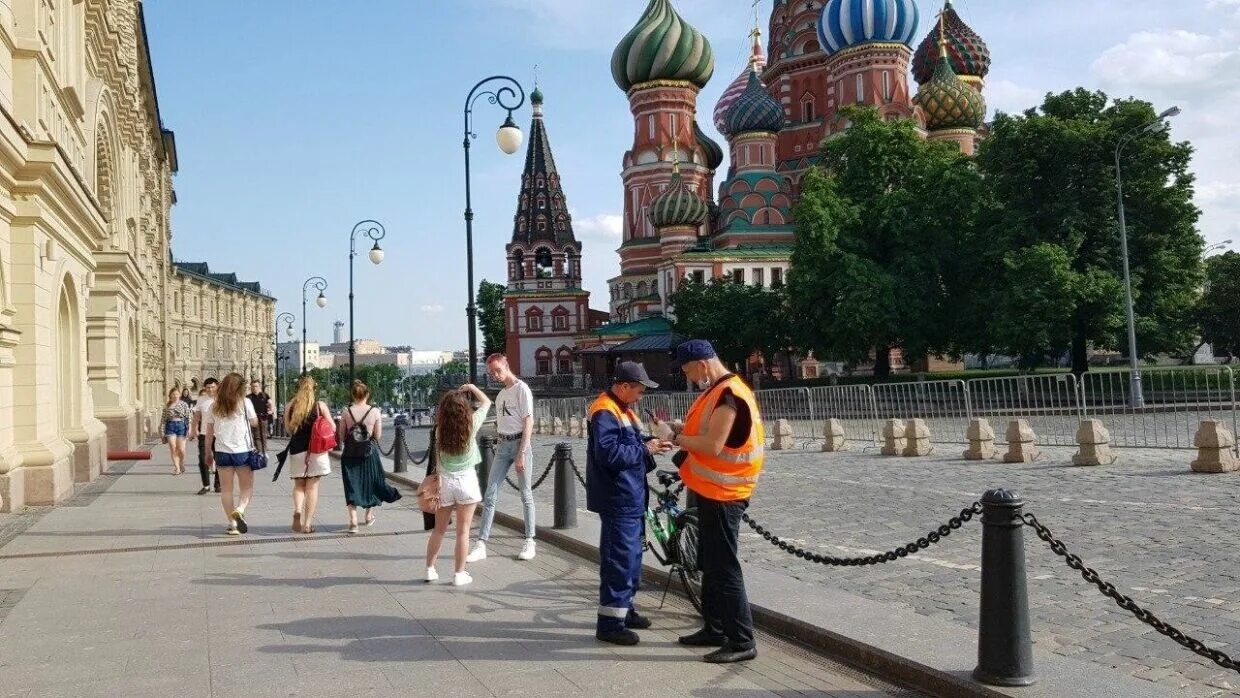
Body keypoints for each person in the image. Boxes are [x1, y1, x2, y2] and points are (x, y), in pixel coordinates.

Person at [654, 339, 765, 664]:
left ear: (702, 363)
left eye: (686, 368)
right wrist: (676, 428)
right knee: (710, 564)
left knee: (724, 567)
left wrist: (672, 437)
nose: (686, 374)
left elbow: (714, 445)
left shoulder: (729, 394)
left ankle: (742, 641)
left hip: (725, 493)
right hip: (710, 489)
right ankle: (714, 628)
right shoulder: (716, 391)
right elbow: (705, 431)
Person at [587, 362, 671, 645]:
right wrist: (646, 448)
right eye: (639, 390)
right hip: (618, 497)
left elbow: (629, 444)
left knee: (631, 558)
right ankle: (610, 624)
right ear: (624, 386)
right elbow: (609, 455)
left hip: (630, 495)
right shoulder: (605, 411)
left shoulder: (621, 409)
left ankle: (625, 609)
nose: (641, 396)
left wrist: (652, 443)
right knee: (619, 560)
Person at [467, 354, 537, 563]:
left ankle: (530, 540)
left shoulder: (521, 389)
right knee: (490, 493)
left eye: (498, 370)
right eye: (492, 372)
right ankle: (481, 543)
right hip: (502, 444)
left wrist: (522, 452)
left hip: (518, 444)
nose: (496, 375)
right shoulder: (500, 395)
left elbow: (529, 421)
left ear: (506, 366)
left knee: (525, 494)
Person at [425, 384, 492, 586]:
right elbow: (487, 402)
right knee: (463, 532)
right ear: (464, 409)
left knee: (439, 530)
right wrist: (471, 387)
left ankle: (430, 569)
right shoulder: (471, 424)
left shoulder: (439, 430)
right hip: (466, 481)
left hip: (444, 482)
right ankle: (459, 574)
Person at [338, 380, 402, 534]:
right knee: (371, 482)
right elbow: (378, 436)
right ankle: (368, 515)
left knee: (351, 485)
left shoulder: (346, 412)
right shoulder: (374, 411)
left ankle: (353, 521)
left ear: (353, 394)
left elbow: (341, 437)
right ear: (367, 394)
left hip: (350, 454)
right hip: (369, 453)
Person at [204, 372, 261, 536]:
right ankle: (240, 509)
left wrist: (208, 453)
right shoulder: (245, 403)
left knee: (226, 490)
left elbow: (209, 434)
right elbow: (255, 422)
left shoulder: (213, 406)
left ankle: (233, 523)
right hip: (242, 451)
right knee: (247, 487)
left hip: (221, 452)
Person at [283, 375, 333, 534]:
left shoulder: (290, 405)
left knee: (299, 485)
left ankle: (297, 510)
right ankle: (307, 524)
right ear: (314, 389)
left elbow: (288, 430)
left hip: (297, 450)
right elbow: (331, 426)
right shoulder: (319, 405)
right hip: (316, 451)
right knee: (312, 487)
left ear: (299, 387)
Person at [187, 378, 220, 495]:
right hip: (204, 434)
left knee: (219, 460)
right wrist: (192, 430)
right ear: (205, 388)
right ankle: (206, 485)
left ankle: (218, 484)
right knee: (202, 460)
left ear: (217, 387)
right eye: (208, 387)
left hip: (219, 435)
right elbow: (196, 416)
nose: (210, 389)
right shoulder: (201, 400)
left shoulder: (222, 400)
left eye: (212, 387)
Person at [161, 387, 193, 475]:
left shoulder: (184, 404)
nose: (175, 396)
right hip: (170, 427)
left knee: (181, 449)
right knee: (173, 448)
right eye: (173, 394)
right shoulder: (167, 406)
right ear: (170, 395)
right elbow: (163, 420)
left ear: (179, 395)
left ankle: (181, 462)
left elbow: (189, 417)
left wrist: (190, 429)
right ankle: (177, 468)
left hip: (181, 426)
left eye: (177, 394)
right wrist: (162, 433)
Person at [247, 380, 273, 455]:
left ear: (259, 386)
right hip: (253, 418)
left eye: (256, 386)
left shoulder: (264, 395)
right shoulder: (248, 397)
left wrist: (271, 410)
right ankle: (260, 452)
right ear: (251, 387)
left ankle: (264, 451)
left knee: (263, 435)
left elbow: (270, 403)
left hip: (263, 417)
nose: (254, 388)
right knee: (256, 436)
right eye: (253, 386)